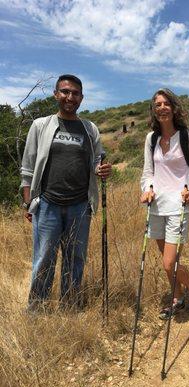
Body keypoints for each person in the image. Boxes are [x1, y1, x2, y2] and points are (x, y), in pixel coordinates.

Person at [20, 74, 111, 310]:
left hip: (80, 206)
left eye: (75, 93)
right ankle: (37, 309)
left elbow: (95, 161)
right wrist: (28, 202)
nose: (70, 97)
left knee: (75, 260)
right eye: (65, 92)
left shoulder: (89, 129)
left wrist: (101, 169)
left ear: (81, 98)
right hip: (48, 204)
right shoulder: (41, 125)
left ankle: (70, 306)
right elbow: (28, 167)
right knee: (43, 260)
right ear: (56, 94)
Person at [140, 88, 189, 320]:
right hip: (156, 206)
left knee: (169, 264)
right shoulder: (151, 139)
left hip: (178, 207)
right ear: (153, 110)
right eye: (157, 104)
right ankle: (177, 299)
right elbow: (148, 173)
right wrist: (147, 189)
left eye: (166, 103)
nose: (162, 107)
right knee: (169, 261)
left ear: (174, 107)